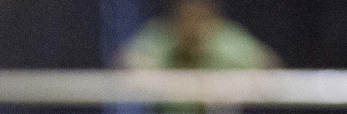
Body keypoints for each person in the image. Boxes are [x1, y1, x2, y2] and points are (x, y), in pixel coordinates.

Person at [118, 0, 281, 71]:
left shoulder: (226, 39)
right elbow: (124, 63)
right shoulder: (160, 36)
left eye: (199, 17)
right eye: (187, 17)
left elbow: (269, 64)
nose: (192, 25)